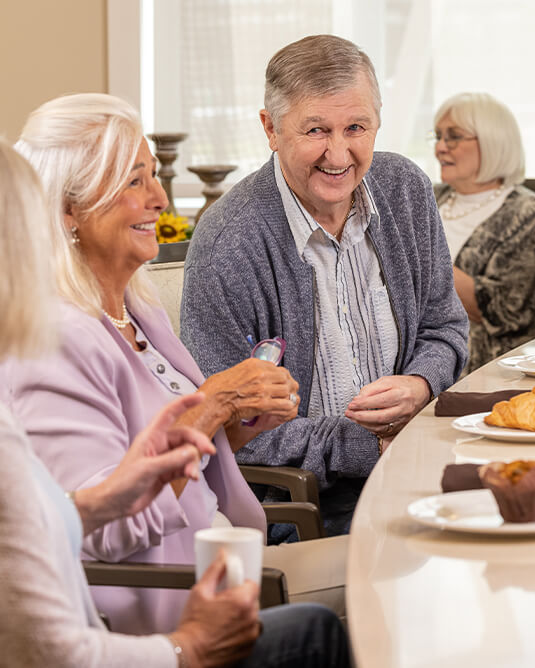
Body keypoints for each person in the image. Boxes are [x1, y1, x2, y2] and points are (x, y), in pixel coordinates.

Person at [0, 92, 351, 635]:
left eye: (153, 178)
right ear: (68, 208)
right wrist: (211, 407)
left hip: (220, 558)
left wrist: (235, 423)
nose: (160, 199)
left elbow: (184, 462)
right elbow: (97, 534)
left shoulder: (137, 311)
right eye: (133, 181)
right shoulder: (55, 338)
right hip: (162, 604)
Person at [180, 34, 469, 542]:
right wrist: (364, 447)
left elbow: (445, 326)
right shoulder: (229, 241)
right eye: (316, 130)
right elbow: (226, 427)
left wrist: (421, 383)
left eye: (356, 127)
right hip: (312, 509)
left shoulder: (406, 190)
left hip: (425, 470)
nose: (339, 154)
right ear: (270, 128)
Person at [432, 92, 535, 373]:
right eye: (438, 136)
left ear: (492, 141)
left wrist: (422, 253)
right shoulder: (428, 197)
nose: (440, 147)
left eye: (453, 136)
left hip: (483, 364)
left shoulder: (527, 212)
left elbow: (503, 310)